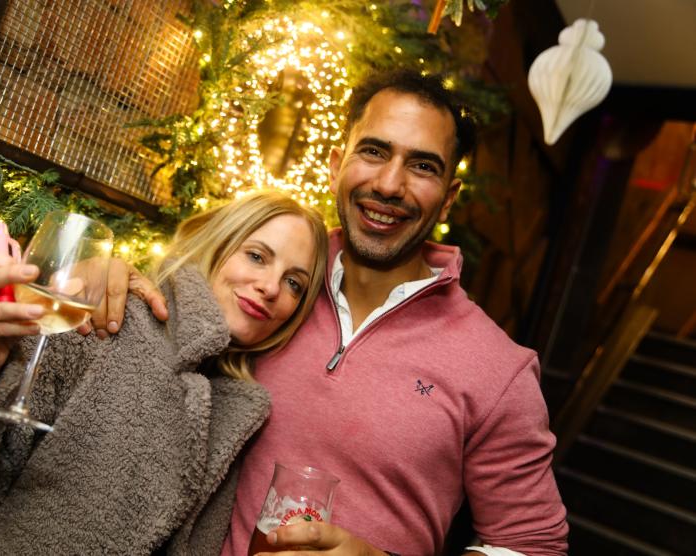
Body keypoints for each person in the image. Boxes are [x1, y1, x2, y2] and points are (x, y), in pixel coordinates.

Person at [103, 70, 569, 555]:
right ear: (335, 166)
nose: (389, 184)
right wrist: (108, 276)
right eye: (374, 151)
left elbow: (534, 547)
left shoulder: (498, 369)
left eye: (422, 166)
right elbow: (173, 318)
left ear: (449, 198)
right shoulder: (275, 283)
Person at [0, 190, 329, 555]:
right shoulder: (99, 318)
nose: (271, 287)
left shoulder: (237, 409)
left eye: (294, 283)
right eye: (256, 256)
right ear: (215, 245)